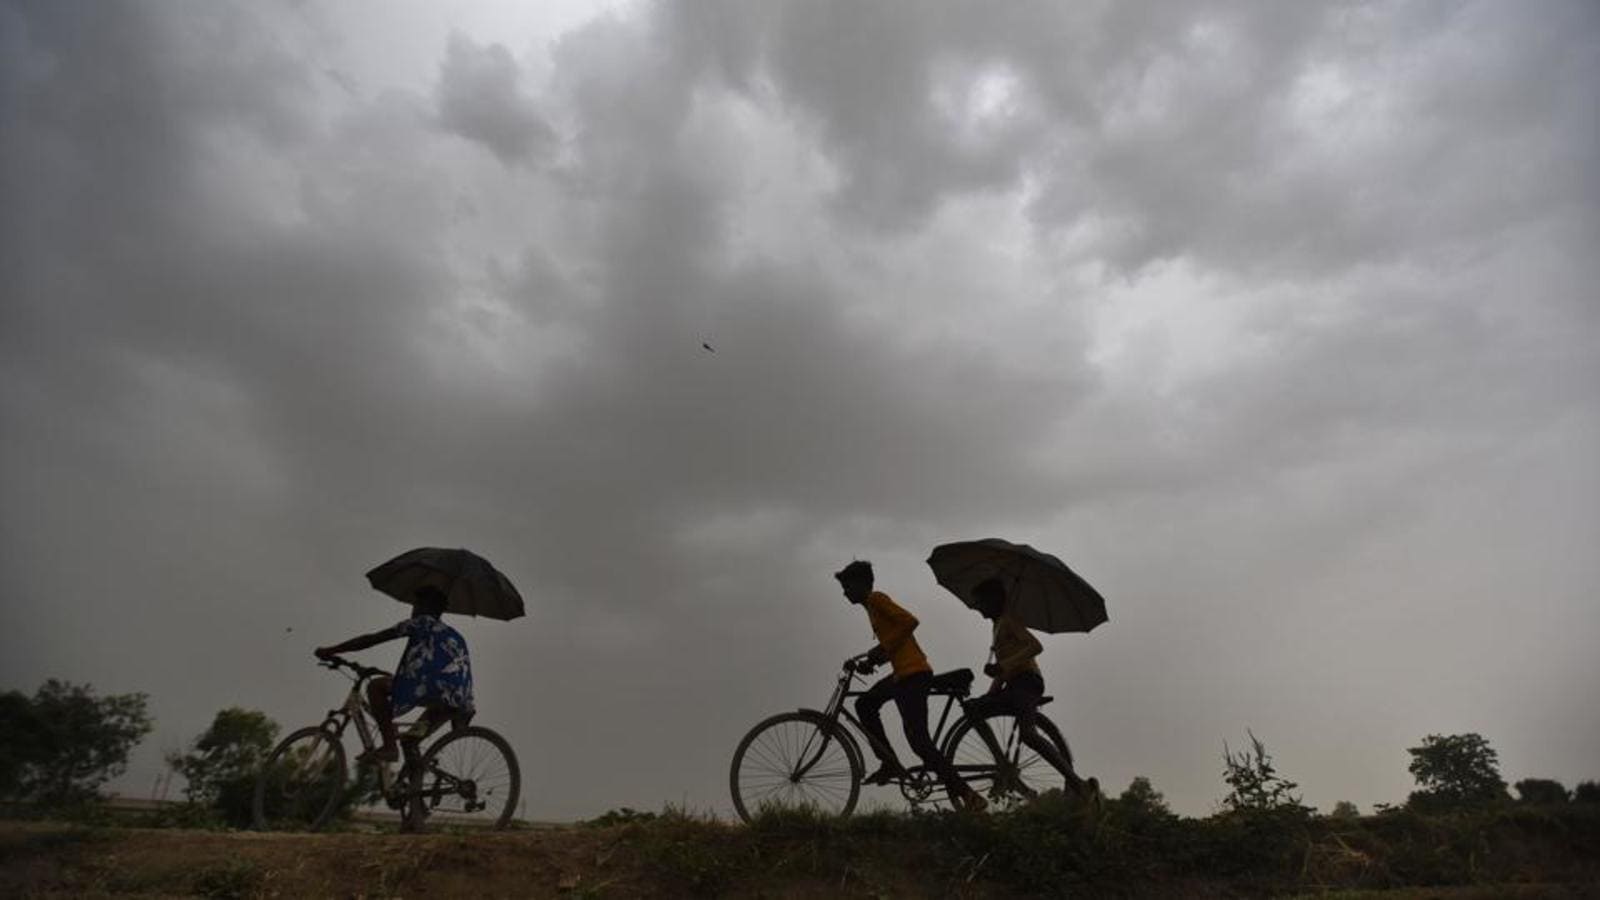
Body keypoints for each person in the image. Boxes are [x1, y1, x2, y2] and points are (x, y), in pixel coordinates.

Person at [836, 560, 987, 812]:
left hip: (913, 674)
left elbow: (909, 622)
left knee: (919, 741)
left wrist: (880, 649)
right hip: (901, 674)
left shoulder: (876, 599)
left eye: (847, 585)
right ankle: (889, 763)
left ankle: (969, 795)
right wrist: (873, 661)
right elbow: (897, 642)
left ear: (862, 584)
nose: (845, 592)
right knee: (865, 703)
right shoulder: (871, 609)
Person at [968, 577, 1098, 805]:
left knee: (1028, 735)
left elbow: (1035, 647)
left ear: (993, 601)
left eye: (980, 602)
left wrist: (1003, 666)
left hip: (1027, 682)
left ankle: (1079, 785)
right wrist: (990, 692)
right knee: (973, 709)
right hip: (1013, 682)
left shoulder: (1009, 620)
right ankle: (1014, 780)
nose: (977, 607)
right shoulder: (997, 626)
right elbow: (1004, 670)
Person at [314, 585, 474, 763]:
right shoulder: (455, 636)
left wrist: (332, 650)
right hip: (458, 699)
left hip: (431, 688)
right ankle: (413, 786)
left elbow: (371, 639)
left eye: (416, 604)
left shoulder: (420, 622)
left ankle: (390, 747)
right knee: (410, 741)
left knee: (375, 686)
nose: (413, 609)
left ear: (425, 606)